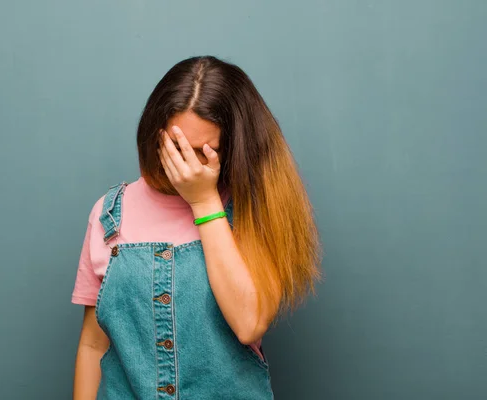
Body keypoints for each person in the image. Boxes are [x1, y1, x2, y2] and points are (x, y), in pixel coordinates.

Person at [71, 55, 321, 399]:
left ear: (233, 149)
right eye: (175, 147)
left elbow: (249, 324)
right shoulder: (109, 215)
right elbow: (93, 345)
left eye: (205, 152)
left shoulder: (252, 210)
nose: (186, 166)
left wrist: (204, 202)